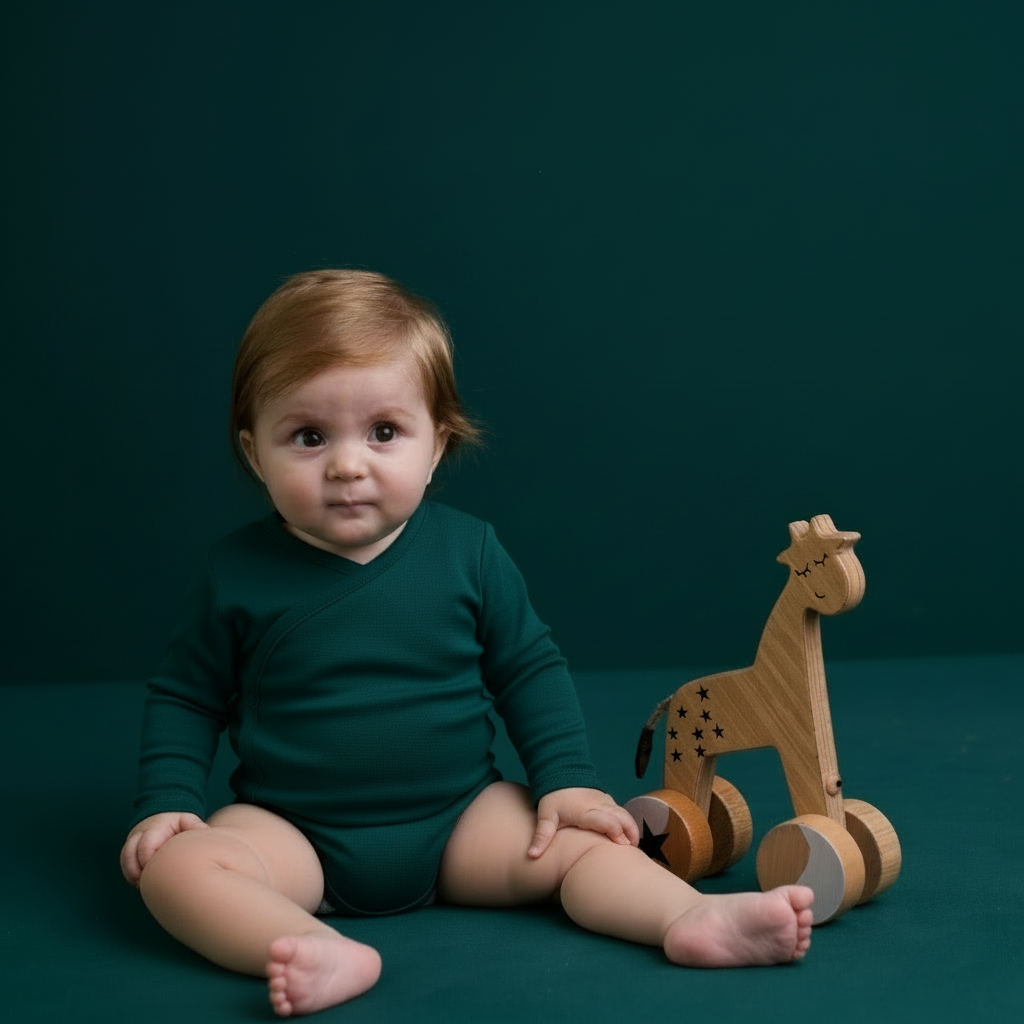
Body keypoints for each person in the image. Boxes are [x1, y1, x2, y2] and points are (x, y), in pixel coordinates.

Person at [120, 269, 813, 1018]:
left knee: (584, 844)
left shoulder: (468, 552)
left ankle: (686, 918)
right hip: (296, 835)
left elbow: (528, 669)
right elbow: (187, 695)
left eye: (384, 432)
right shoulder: (236, 573)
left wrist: (566, 781)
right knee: (178, 868)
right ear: (256, 453)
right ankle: (302, 944)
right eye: (309, 436)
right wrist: (167, 802)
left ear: (436, 445)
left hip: (461, 819)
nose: (348, 465)